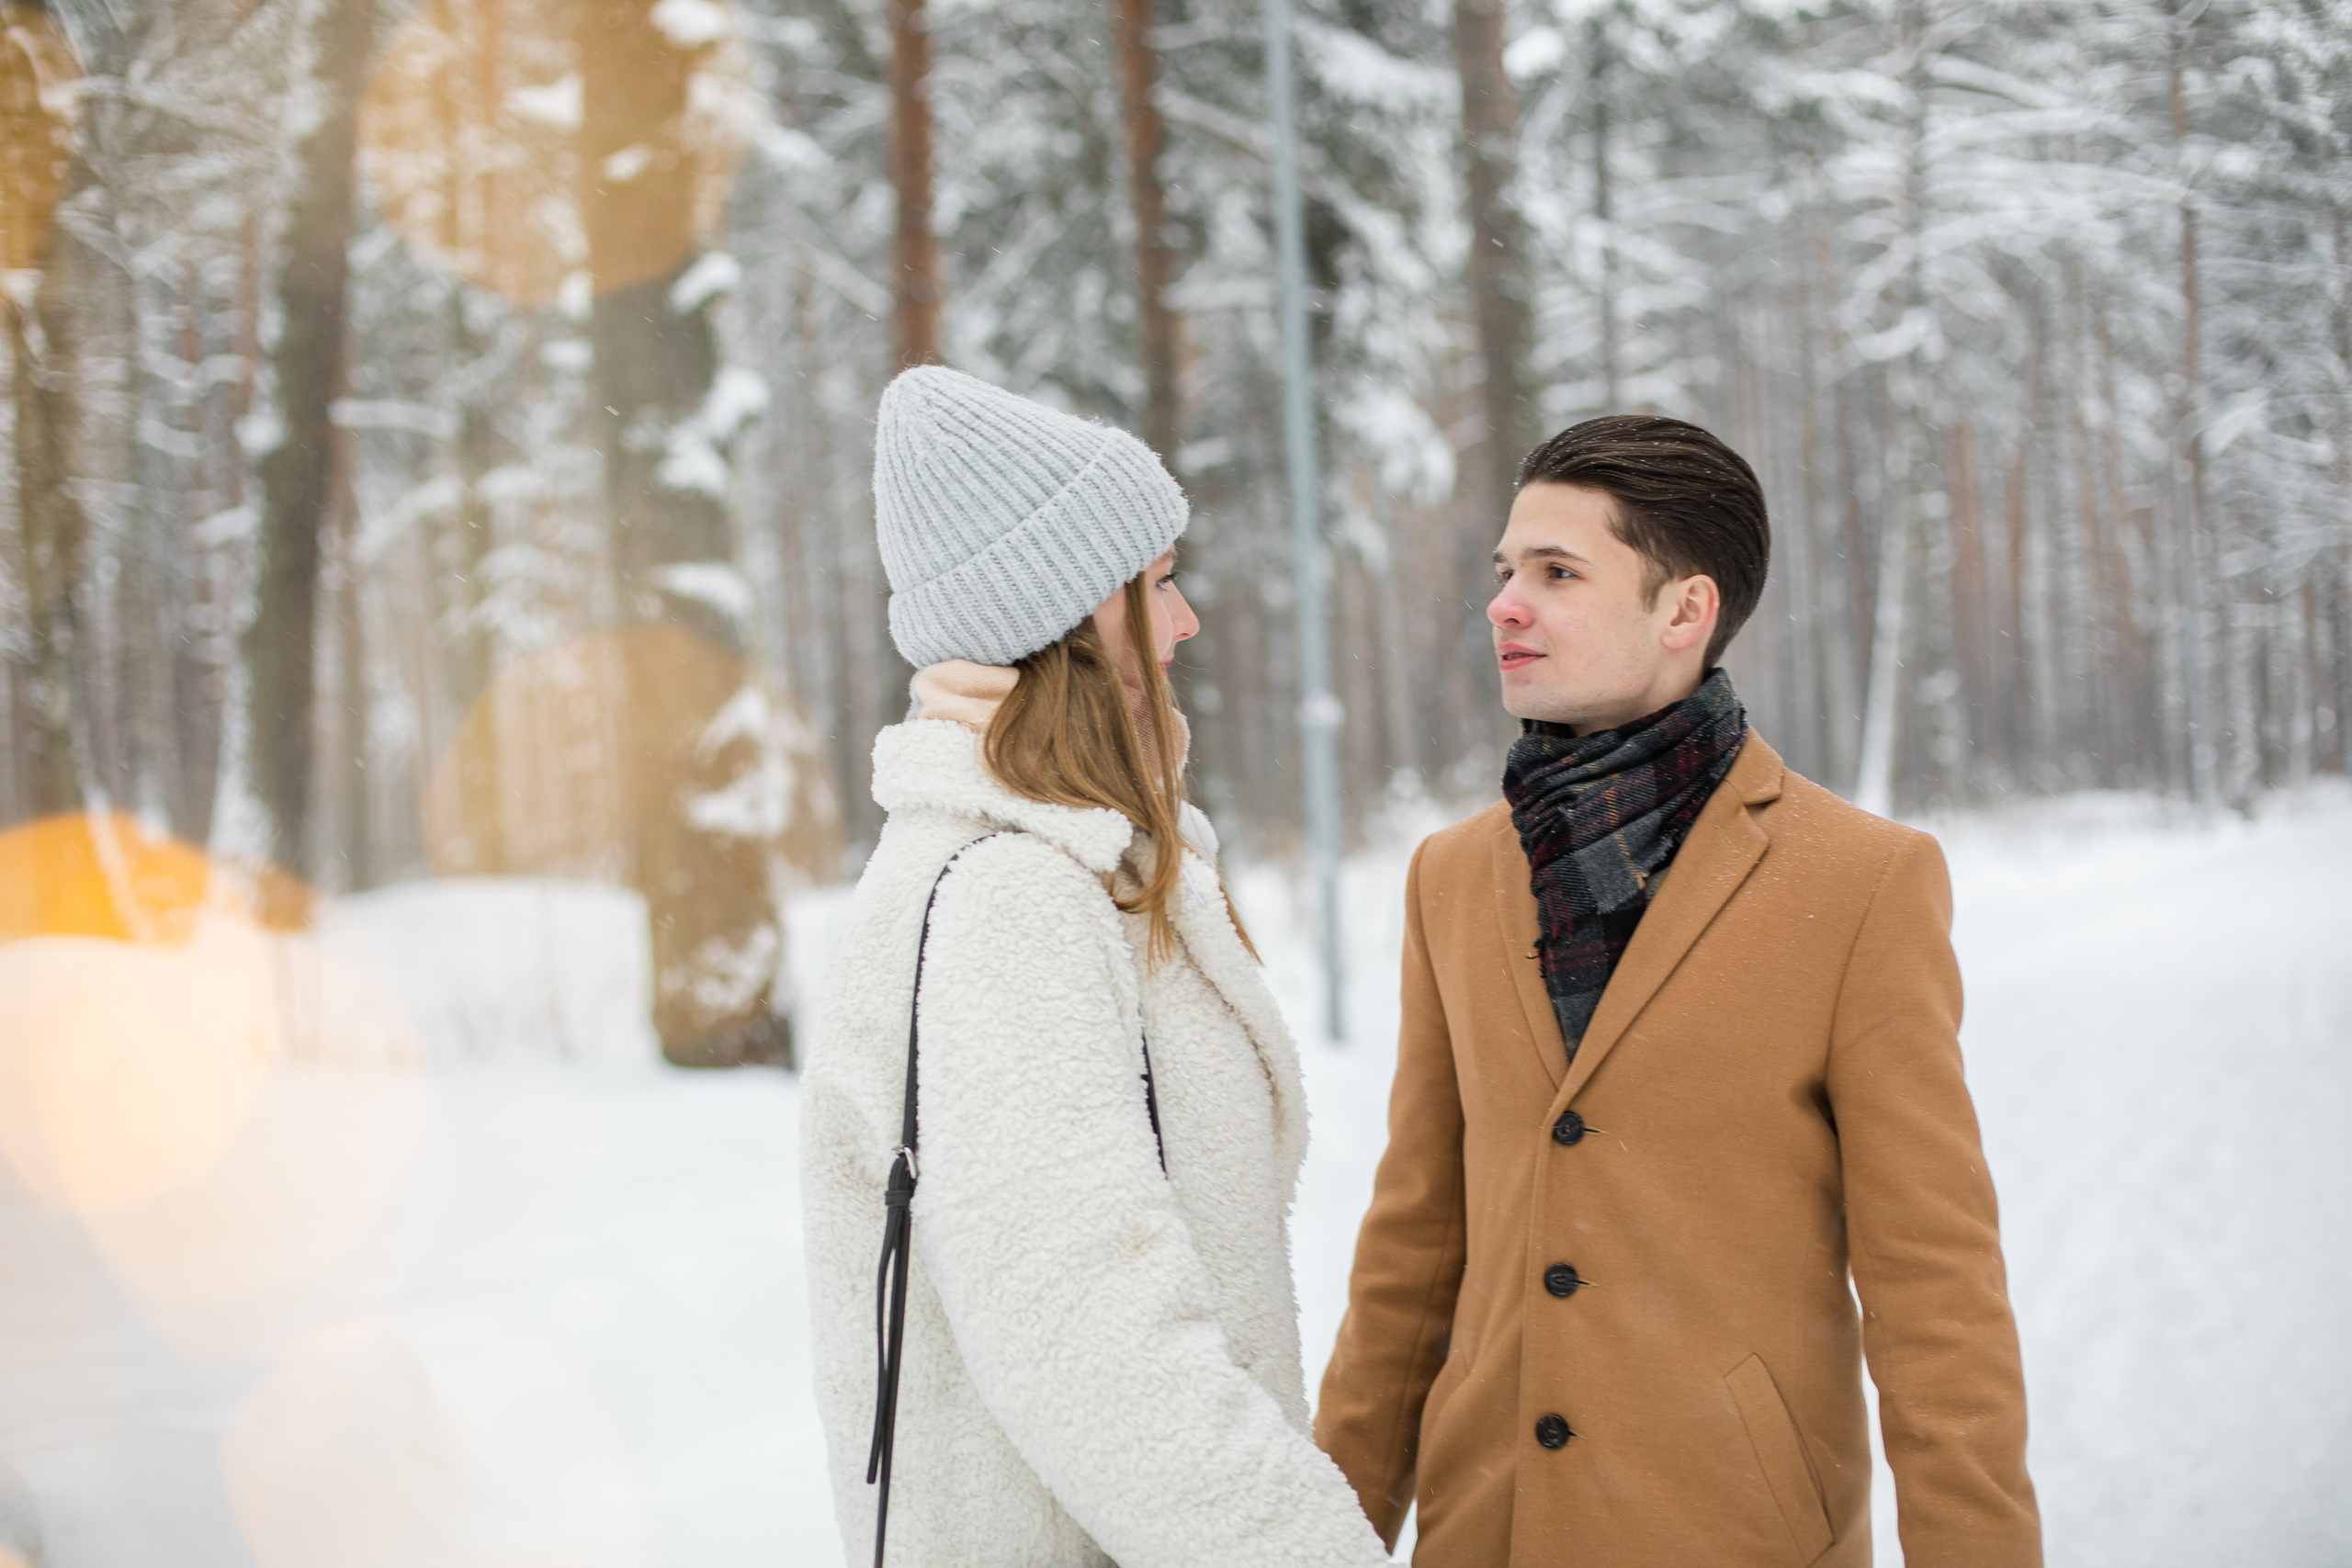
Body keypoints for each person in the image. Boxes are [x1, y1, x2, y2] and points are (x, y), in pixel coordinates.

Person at [1315, 415, 2041, 1566]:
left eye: (1558, 573)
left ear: (1684, 611)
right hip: (1484, 1533)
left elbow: (1933, 1293)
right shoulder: (1450, 878)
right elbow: (1414, 1252)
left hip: (1730, 1530)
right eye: (1506, 572)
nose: (1505, 604)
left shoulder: (1862, 884)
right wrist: (1323, 1534)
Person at [800, 367, 1389, 1568]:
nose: (1186, 624)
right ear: (1072, 612)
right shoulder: (1008, 897)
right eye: (1158, 585)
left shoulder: (1062, 868)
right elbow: (1095, 1341)